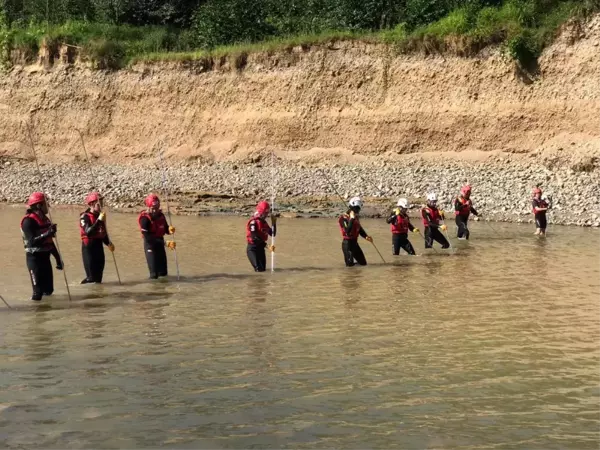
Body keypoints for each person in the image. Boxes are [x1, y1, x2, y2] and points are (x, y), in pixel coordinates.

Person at [20, 192, 64, 301]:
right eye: (46, 203)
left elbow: (50, 242)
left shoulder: (46, 220)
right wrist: (47, 233)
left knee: (49, 290)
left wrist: (58, 259)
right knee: (37, 293)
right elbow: (31, 242)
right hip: (34, 259)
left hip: (45, 258)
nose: (48, 205)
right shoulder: (28, 221)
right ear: (39, 205)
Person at [79, 192, 115, 284]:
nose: (102, 205)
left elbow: (102, 233)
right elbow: (88, 232)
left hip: (98, 247)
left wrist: (108, 243)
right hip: (89, 248)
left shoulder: (100, 216)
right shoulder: (85, 217)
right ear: (91, 204)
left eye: (102, 203)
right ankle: (82, 288)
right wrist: (99, 220)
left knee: (98, 279)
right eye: (99, 203)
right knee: (91, 278)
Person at [138, 194, 176, 279]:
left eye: (156, 208)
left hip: (160, 245)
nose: (155, 210)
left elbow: (165, 229)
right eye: (153, 208)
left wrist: (169, 229)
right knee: (154, 275)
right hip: (150, 246)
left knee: (163, 273)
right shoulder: (144, 218)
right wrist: (165, 243)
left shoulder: (161, 215)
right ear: (149, 207)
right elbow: (147, 238)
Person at [339, 197, 373, 266]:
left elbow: (359, 228)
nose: (358, 211)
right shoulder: (343, 218)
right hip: (347, 244)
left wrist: (366, 236)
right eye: (357, 209)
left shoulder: (355, 217)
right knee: (350, 267)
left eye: (358, 209)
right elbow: (347, 231)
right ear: (352, 207)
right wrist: (351, 219)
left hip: (355, 243)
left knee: (363, 264)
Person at [246, 201, 277, 272]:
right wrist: (268, 246)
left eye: (267, 213)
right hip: (253, 249)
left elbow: (272, 234)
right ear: (260, 212)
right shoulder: (253, 222)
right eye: (265, 213)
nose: (266, 215)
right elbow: (254, 238)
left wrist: (274, 223)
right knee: (258, 269)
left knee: (263, 270)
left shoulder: (264, 223)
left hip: (261, 249)